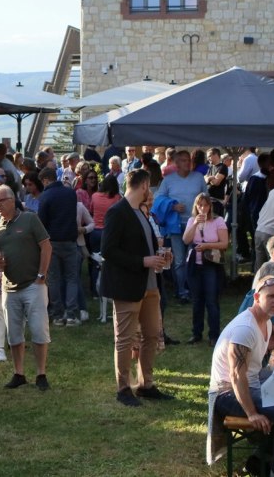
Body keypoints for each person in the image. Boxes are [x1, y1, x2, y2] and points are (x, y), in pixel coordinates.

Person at [210, 275, 274, 477]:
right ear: (257, 297)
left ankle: (261, 459)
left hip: (252, 381)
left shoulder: (266, 321)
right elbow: (236, 376)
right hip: (227, 392)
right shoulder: (244, 328)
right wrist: (251, 413)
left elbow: (264, 349)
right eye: (271, 296)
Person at [101, 169, 172, 406]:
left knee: (151, 335)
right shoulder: (117, 212)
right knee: (124, 338)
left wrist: (160, 258)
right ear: (143, 185)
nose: (149, 191)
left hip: (150, 285)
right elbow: (108, 251)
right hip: (127, 286)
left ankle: (146, 384)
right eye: (149, 187)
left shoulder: (142, 212)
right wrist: (143, 261)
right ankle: (123, 388)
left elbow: (147, 246)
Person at [0, 183, 52, 390]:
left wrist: (41, 275)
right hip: (9, 288)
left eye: (1, 200)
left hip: (33, 284)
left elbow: (46, 246)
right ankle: (19, 373)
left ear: (12, 200)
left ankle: (41, 374)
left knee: (38, 330)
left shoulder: (29, 219)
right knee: (14, 334)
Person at [155, 149, 206, 302]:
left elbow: (206, 197)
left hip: (195, 224)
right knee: (179, 260)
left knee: (194, 257)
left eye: (188, 160)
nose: (187, 162)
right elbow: (158, 199)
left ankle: (193, 288)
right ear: (176, 164)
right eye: (183, 160)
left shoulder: (198, 178)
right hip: (176, 226)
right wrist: (172, 206)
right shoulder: (168, 180)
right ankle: (181, 291)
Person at [37, 166, 85, 326]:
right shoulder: (70, 193)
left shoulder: (45, 196)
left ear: (45, 180)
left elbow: (41, 222)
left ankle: (57, 314)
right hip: (70, 240)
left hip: (52, 241)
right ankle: (71, 314)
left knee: (54, 278)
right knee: (72, 278)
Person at [184, 193, 229, 344]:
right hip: (195, 265)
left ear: (210, 206)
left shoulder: (218, 221)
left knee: (211, 301)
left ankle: (214, 335)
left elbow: (224, 244)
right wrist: (196, 224)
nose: (202, 208)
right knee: (197, 301)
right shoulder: (192, 220)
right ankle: (196, 333)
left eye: (205, 205)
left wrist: (207, 246)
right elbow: (186, 240)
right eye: (200, 205)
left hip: (211, 265)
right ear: (196, 206)